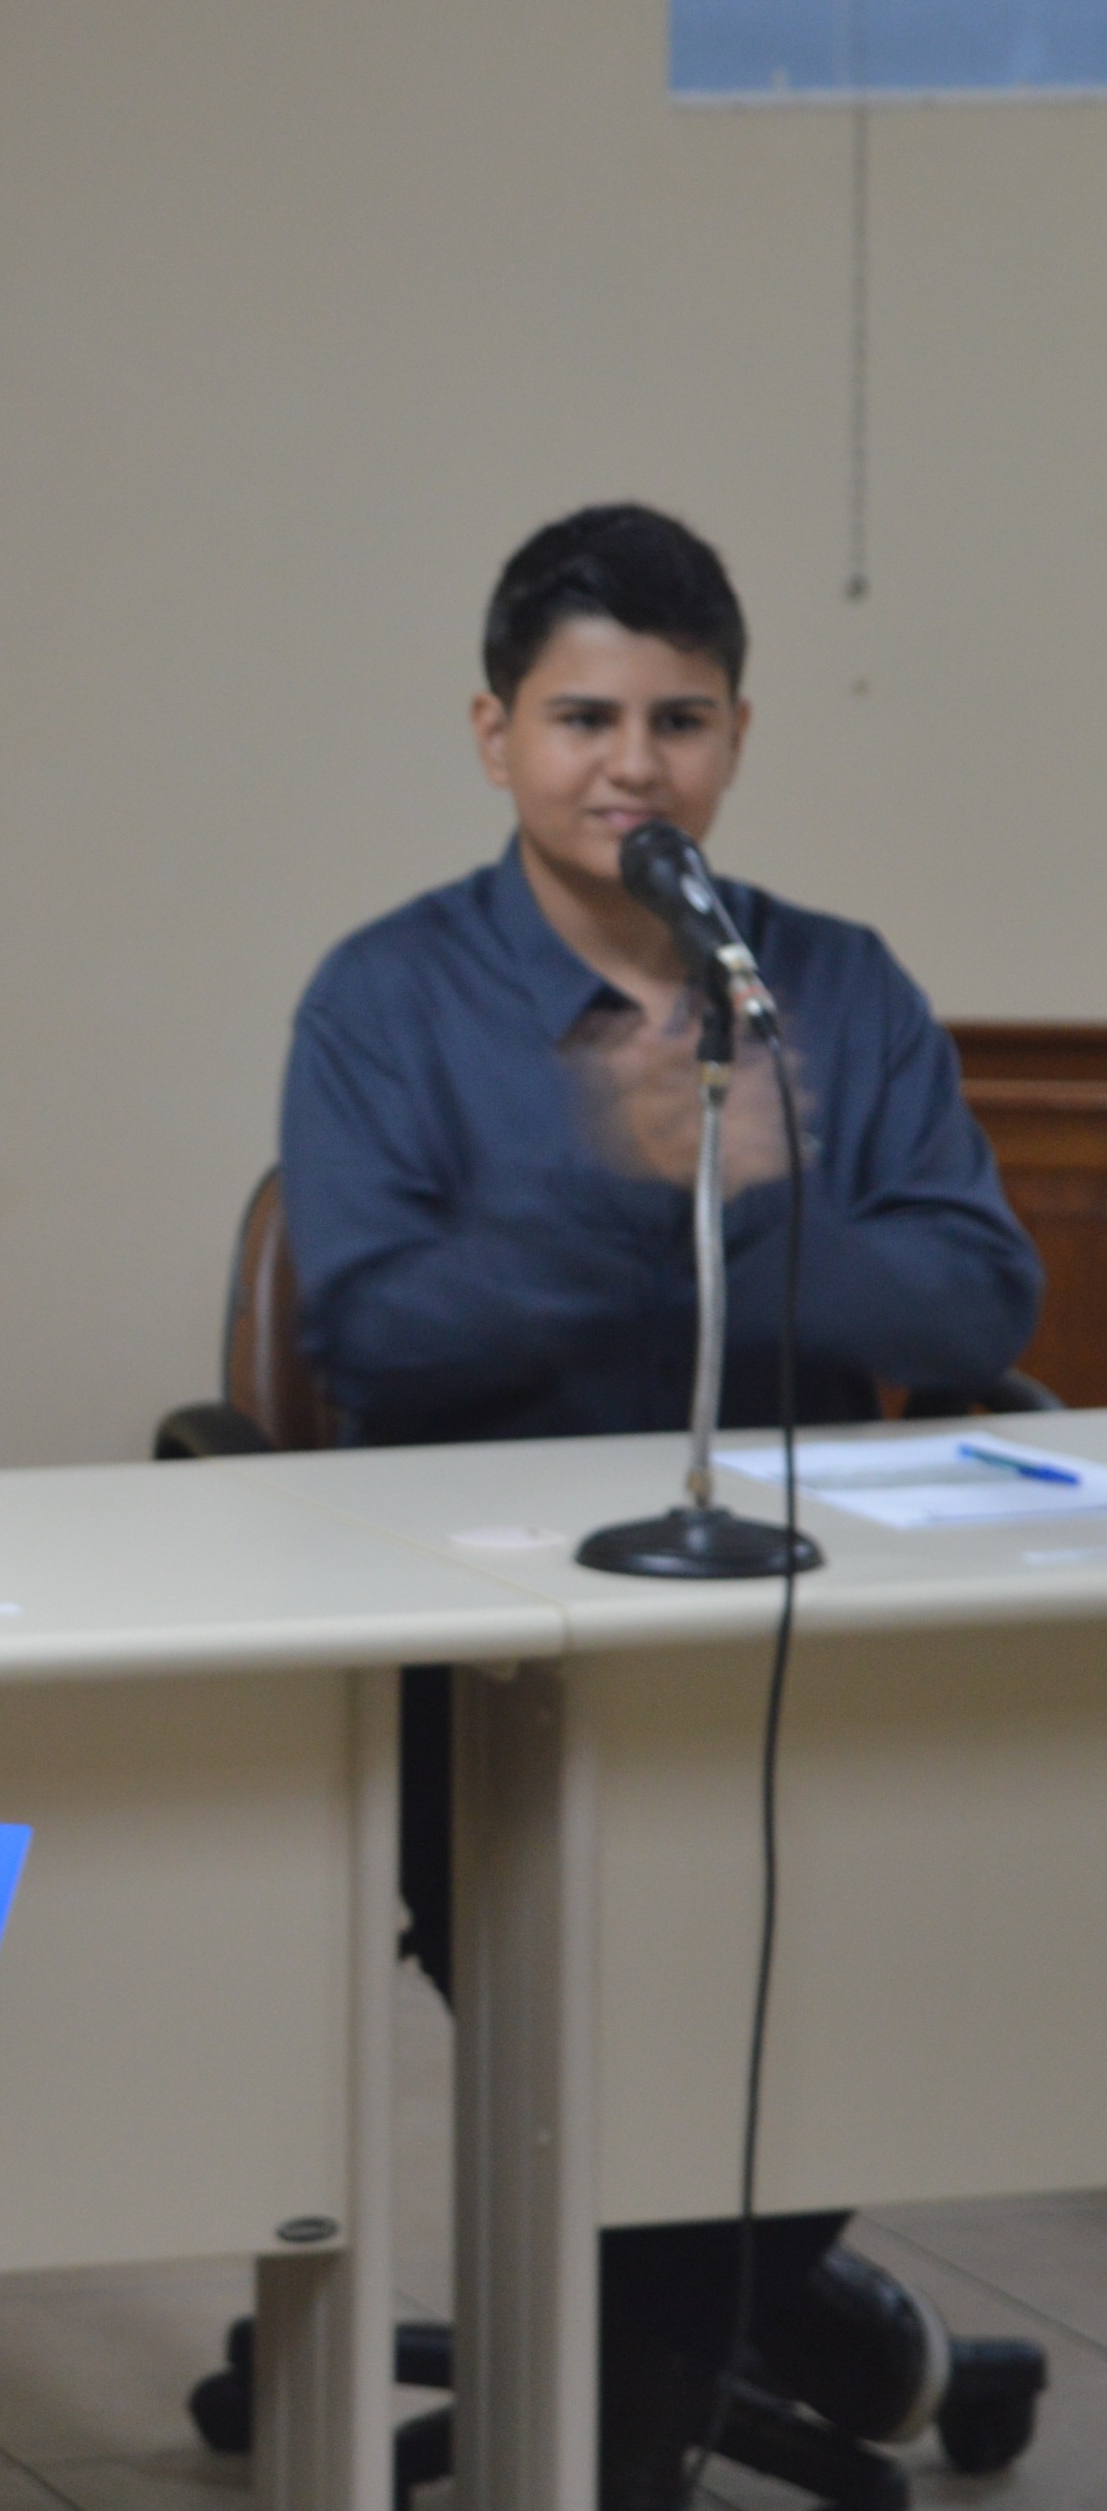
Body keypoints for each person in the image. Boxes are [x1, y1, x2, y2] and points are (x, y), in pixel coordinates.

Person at [277, 502, 1041, 2507]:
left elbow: (976, 1296)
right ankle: (670, 2410)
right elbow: (378, 1330)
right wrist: (655, 1193)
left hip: (808, 1639)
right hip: (486, 1655)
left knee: (863, 1979)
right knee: (612, 2051)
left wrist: (739, 1197)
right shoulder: (385, 995)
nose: (633, 765)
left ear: (736, 737)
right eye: (583, 717)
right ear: (494, 733)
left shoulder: (837, 986)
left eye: (679, 720)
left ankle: (705, 2343)